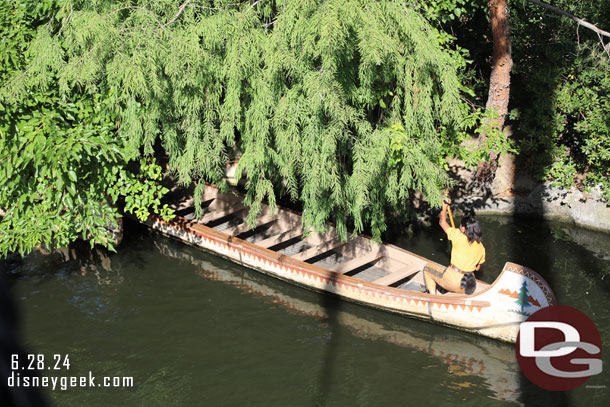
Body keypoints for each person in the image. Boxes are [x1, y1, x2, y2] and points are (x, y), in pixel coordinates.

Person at [423, 199, 485, 295]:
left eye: (461, 225)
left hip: (454, 282)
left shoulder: (457, 235)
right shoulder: (481, 246)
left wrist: (444, 207)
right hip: (468, 285)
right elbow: (477, 268)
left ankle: (433, 297)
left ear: (464, 228)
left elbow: (442, 222)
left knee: (427, 268)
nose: (459, 227)